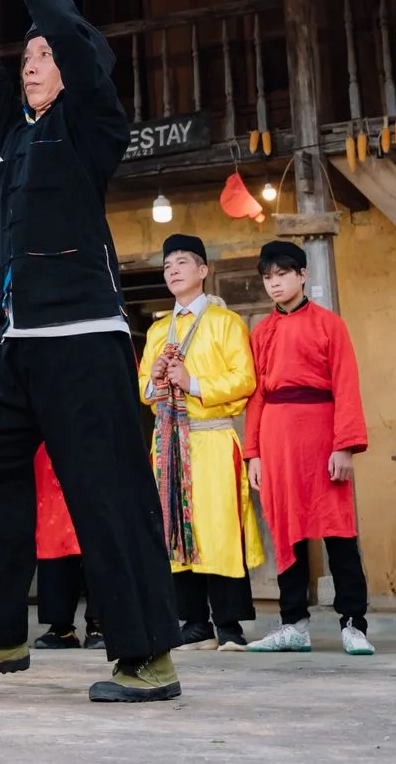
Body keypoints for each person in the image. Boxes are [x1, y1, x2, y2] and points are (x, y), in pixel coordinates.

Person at [0, 0, 182, 704]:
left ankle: (148, 658)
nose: (30, 63)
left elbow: (69, 34)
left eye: (42, 55)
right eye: (25, 54)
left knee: (105, 491)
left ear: (74, 68)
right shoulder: (14, 135)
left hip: (84, 338)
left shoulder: (94, 127)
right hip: (16, 343)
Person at [236, 239, 373, 656]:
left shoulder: (331, 325)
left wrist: (344, 445)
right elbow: (256, 395)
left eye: (282, 275)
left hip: (321, 432)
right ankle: (293, 623)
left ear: (302, 275)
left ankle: (353, 622)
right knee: (285, 530)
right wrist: (254, 453)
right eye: (268, 277)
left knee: (338, 529)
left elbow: (346, 385)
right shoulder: (262, 332)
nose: (274, 284)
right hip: (276, 437)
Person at [140, 234, 264, 650]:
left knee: (219, 528)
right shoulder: (159, 329)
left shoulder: (226, 324)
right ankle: (194, 623)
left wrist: (192, 382)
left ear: (203, 271)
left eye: (181, 263)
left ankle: (230, 624)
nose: (172, 270)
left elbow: (245, 380)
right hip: (169, 442)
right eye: (167, 265)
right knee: (175, 527)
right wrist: (156, 378)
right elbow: (142, 387)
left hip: (210, 437)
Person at [32, 445, 102, 649]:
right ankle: (60, 625)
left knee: (98, 532)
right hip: (50, 448)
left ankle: (101, 622)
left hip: (96, 439)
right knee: (54, 533)